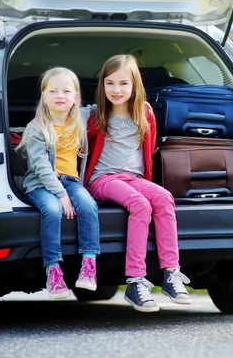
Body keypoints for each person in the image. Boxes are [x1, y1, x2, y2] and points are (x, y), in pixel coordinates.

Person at [85, 54, 191, 312]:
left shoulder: (144, 114)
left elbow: (148, 152)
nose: (116, 90)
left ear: (134, 85)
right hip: (103, 179)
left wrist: (147, 184)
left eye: (123, 83)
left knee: (164, 198)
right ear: (102, 86)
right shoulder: (96, 115)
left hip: (134, 179)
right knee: (139, 205)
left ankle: (170, 274)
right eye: (110, 84)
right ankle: (135, 281)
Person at [17, 67, 100, 299]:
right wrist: (62, 195)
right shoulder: (36, 128)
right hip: (40, 184)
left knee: (88, 205)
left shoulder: (80, 119)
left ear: (75, 97)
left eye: (66, 91)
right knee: (52, 211)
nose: (60, 96)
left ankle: (89, 265)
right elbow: (42, 168)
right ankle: (53, 271)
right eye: (53, 91)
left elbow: (104, 107)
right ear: (44, 97)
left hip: (71, 181)